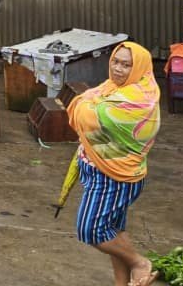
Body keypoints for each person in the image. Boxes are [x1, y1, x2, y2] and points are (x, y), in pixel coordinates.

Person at [66, 42, 161, 286]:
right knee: (114, 232)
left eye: (126, 64)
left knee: (91, 229)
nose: (118, 69)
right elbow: (82, 106)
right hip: (99, 170)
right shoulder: (113, 88)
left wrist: (87, 102)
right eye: (115, 62)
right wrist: (87, 102)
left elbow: (84, 114)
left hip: (113, 178)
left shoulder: (138, 98)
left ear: (139, 67)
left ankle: (140, 263)